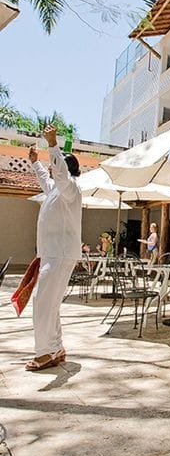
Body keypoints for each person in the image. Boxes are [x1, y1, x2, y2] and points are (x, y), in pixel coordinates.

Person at [25, 125, 82, 371]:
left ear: (67, 171)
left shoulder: (71, 188)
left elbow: (57, 174)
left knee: (42, 300)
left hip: (60, 254)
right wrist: (35, 163)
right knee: (51, 303)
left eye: (57, 166)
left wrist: (52, 144)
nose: (51, 169)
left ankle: (44, 353)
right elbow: (47, 179)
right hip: (53, 253)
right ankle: (56, 348)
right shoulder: (57, 191)